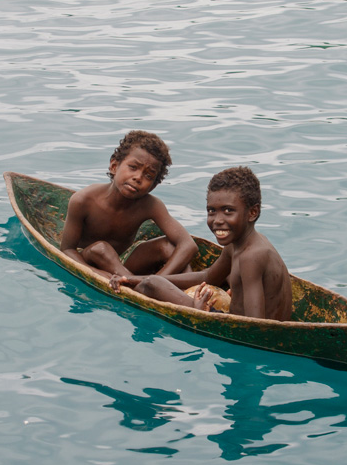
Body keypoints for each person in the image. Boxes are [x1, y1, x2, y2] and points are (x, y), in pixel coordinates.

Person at [110, 166, 293, 321]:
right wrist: (133, 279)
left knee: (152, 284)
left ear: (252, 213)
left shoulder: (251, 256)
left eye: (228, 211)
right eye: (212, 211)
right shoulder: (240, 244)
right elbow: (208, 276)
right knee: (147, 283)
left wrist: (197, 313)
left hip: (246, 333)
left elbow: (257, 328)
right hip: (241, 322)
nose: (217, 220)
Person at [60, 130, 198, 278]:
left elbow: (188, 245)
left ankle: (187, 290)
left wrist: (158, 280)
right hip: (89, 258)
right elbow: (67, 250)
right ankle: (134, 283)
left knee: (168, 247)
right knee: (101, 249)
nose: (138, 177)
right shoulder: (83, 200)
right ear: (114, 166)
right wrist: (100, 274)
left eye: (148, 176)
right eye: (133, 167)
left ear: (153, 186)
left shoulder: (150, 205)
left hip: (124, 264)